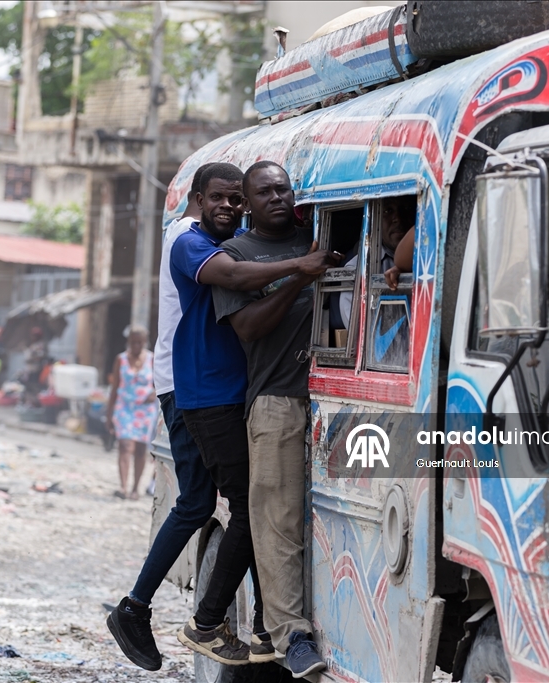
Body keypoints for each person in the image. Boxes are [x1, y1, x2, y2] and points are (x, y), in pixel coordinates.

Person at [106, 162, 337, 671]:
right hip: (199, 390)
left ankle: (244, 624)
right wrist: (299, 268)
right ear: (197, 198)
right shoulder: (190, 240)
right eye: (223, 198)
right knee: (226, 505)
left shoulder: (224, 239)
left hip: (222, 389)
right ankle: (185, 617)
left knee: (213, 502)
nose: (230, 208)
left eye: (237, 200)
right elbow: (231, 276)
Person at [211, 161, 329, 678]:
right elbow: (250, 328)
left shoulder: (317, 235)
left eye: (283, 188)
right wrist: (298, 274)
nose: (277, 197)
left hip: (333, 396)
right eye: (265, 192)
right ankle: (292, 636)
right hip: (276, 400)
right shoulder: (237, 255)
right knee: (278, 523)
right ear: (247, 204)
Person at [336, 194, 415, 326]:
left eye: (406, 208)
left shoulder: (428, 258)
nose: (398, 218)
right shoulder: (358, 268)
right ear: (374, 219)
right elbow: (359, 330)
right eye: (387, 211)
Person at [106, 326, 157, 500]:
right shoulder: (120, 359)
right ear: (128, 341)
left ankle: (136, 488)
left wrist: (155, 392)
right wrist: (108, 415)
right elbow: (114, 388)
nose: (136, 345)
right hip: (124, 408)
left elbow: (163, 381)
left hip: (145, 410)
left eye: (140, 342)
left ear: (145, 341)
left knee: (141, 449)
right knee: (125, 446)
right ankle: (123, 487)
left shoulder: (152, 359)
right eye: (133, 341)